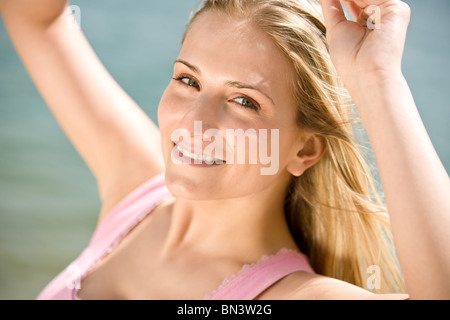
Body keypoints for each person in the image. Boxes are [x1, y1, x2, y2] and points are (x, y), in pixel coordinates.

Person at [1, 0, 449, 300]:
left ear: (305, 150)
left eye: (244, 102)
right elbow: (35, 17)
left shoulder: (293, 295)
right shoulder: (136, 197)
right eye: (188, 80)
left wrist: (378, 77)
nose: (194, 123)